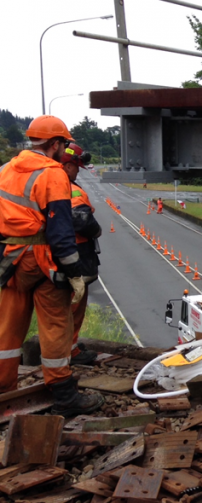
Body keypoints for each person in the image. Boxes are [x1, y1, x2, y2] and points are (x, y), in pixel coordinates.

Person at [0, 116, 104, 416]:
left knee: (7, 328)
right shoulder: (53, 174)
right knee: (56, 324)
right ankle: (63, 395)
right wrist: (74, 274)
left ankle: (4, 389)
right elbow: (60, 233)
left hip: (11, 259)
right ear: (56, 144)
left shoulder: (5, 170)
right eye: (65, 144)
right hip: (43, 260)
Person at [60, 143, 102, 366]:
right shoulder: (70, 189)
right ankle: (69, 350)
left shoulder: (54, 183)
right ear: (67, 166)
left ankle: (70, 346)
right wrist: (97, 230)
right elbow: (82, 220)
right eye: (76, 167)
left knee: (68, 304)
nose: (78, 172)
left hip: (67, 253)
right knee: (75, 303)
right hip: (78, 254)